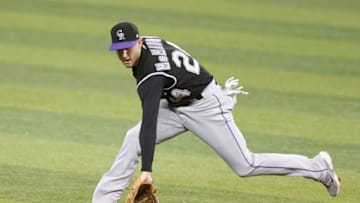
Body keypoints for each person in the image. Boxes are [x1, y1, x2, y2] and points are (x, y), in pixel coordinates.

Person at [92, 21, 340, 203]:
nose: (124, 54)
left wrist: (146, 171)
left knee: (245, 165)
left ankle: (318, 168)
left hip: (207, 106)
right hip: (178, 102)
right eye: (119, 49)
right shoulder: (147, 45)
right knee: (131, 139)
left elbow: (149, 123)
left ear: (140, 42)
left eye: (128, 47)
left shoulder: (150, 77)